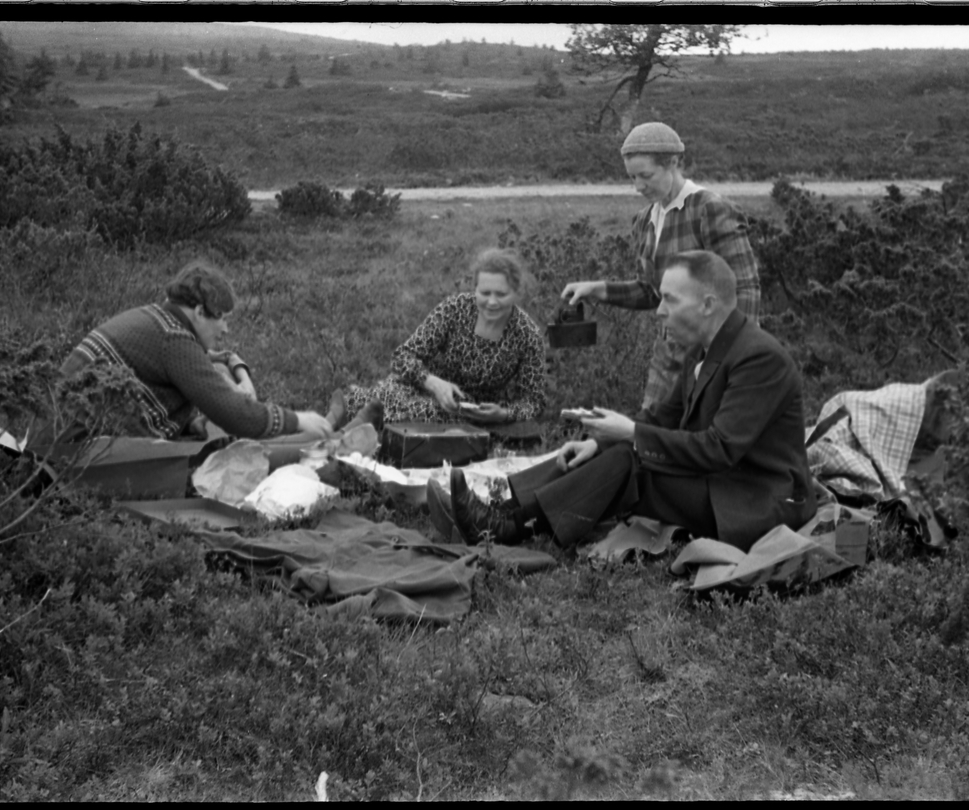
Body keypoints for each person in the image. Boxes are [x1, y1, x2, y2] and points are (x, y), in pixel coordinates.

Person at [431, 250, 815, 553]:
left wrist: (630, 434)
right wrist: (599, 442)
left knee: (630, 458)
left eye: (669, 300)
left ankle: (507, 526)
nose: (659, 311)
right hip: (719, 483)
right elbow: (662, 417)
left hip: (755, 500)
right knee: (608, 450)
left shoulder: (758, 357)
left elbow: (719, 450)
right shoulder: (705, 347)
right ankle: (499, 508)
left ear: (708, 304)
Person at [560, 121, 761, 410]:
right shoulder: (645, 220)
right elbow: (652, 292)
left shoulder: (709, 209)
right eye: (632, 177)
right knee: (650, 429)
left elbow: (745, 289)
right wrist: (597, 289)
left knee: (707, 432)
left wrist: (730, 359)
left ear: (673, 163)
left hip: (712, 352)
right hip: (668, 353)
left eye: (646, 175)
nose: (638, 186)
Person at [57, 259, 337, 442]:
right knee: (234, 450)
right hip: (77, 449)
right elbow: (234, 415)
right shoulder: (174, 340)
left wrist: (190, 423)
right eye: (222, 318)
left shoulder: (155, 318)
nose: (225, 329)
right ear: (200, 312)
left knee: (218, 375)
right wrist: (297, 420)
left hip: (61, 435)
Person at [344, 248, 547, 425]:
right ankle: (347, 419)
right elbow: (401, 357)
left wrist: (504, 414)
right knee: (392, 392)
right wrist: (434, 383)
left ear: (515, 293)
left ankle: (358, 415)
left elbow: (534, 402)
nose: (492, 302)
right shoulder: (455, 309)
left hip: (468, 411)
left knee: (430, 412)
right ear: (475, 289)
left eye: (501, 294)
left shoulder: (527, 334)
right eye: (485, 293)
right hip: (424, 386)